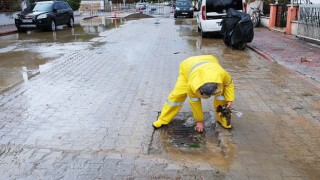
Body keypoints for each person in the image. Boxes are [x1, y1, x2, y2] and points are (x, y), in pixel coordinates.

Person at [152, 55, 235, 132]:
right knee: (177, 95)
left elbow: (229, 84)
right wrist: (199, 121)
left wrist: (230, 99)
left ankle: (222, 118)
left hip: (210, 60)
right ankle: (163, 119)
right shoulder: (192, 85)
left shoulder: (222, 74)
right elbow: (195, 103)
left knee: (223, 95)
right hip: (187, 66)